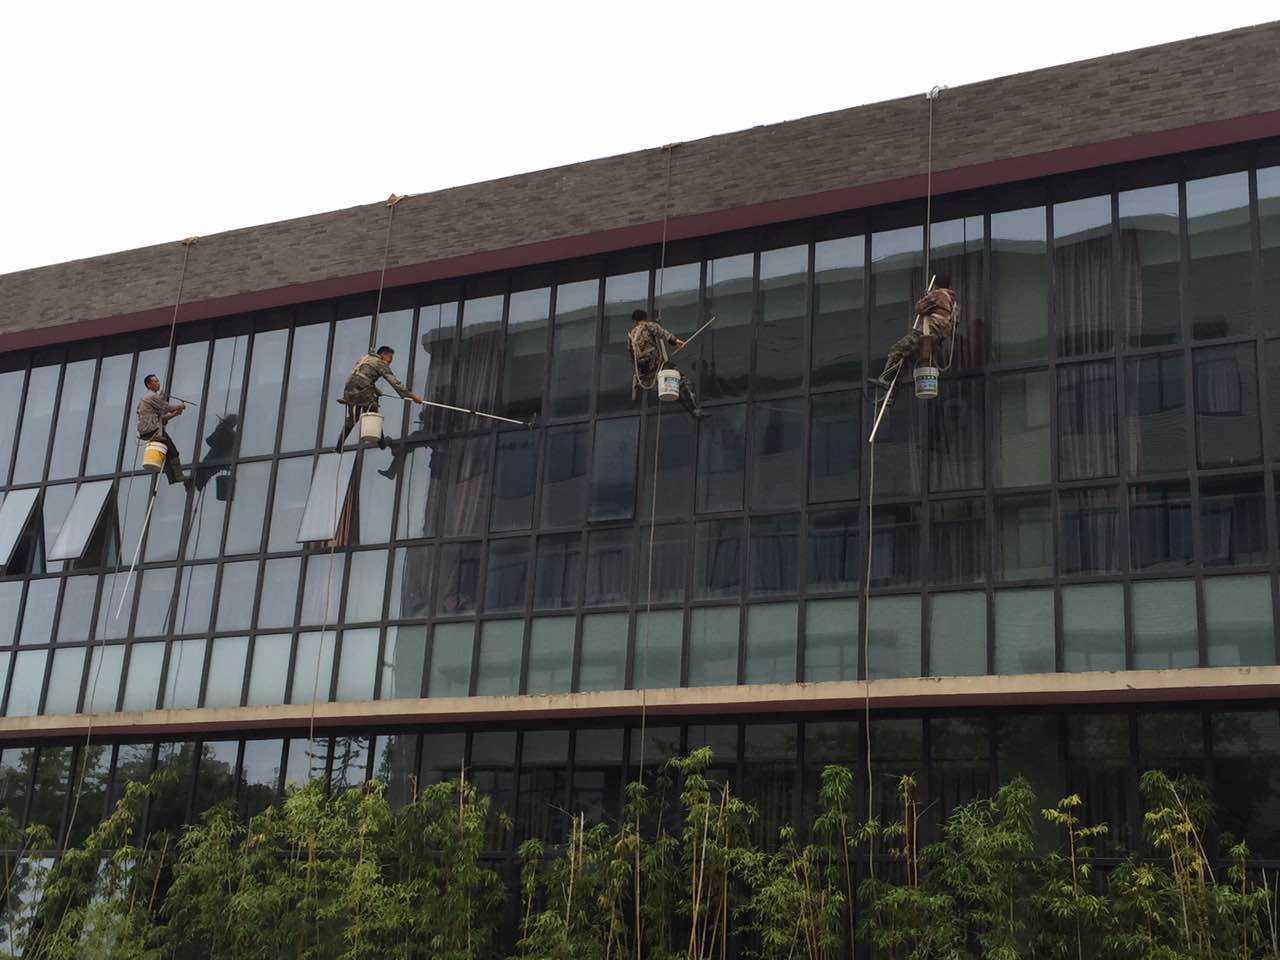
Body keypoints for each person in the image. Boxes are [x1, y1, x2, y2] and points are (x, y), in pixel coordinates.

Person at [869, 276, 959, 392]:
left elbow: (919, 308)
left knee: (897, 349)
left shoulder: (937, 294)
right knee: (907, 358)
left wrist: (927, 296)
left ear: (936, 285)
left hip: (926, 333)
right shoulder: (954, 303)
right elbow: (956, 323)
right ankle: (893, 387)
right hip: (937, 338)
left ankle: (885, 379)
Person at [335, 345, 423, 451]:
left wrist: (376, 390)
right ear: (383, 354)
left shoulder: (366, 358)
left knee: (353, 419)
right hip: (362, 392)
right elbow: (395, 383)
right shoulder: (380, 363)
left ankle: (339, 447)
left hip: (349, 391)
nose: (389, 364)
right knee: (373, 409)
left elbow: (361, 377)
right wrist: (413, 397)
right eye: (389, 360)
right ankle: (382, 443)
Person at [627, 309, 700, 416]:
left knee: (673, 386)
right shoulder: (649, 326)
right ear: (645, 317)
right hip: (656, 363)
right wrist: (677, 341)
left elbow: (631, 355)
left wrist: (638, 373)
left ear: (635, 321)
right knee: (681, 380)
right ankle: (694, 409)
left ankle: (690, 409)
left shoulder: (631, 335)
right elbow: (663, 333)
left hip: (644, 370)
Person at [136, 374, 188, 485]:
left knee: (167, 453)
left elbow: (161, 418)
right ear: (149, 384)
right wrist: (180, 406)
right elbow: (167, 407)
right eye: (155, 381)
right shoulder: (151, 396)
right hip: (153, 430)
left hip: (148, 431)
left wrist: (175, 414)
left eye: (158, 381)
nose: (158, 383)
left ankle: (173, 478)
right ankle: (178, 476)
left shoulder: (147, 400)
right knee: (173, 451)